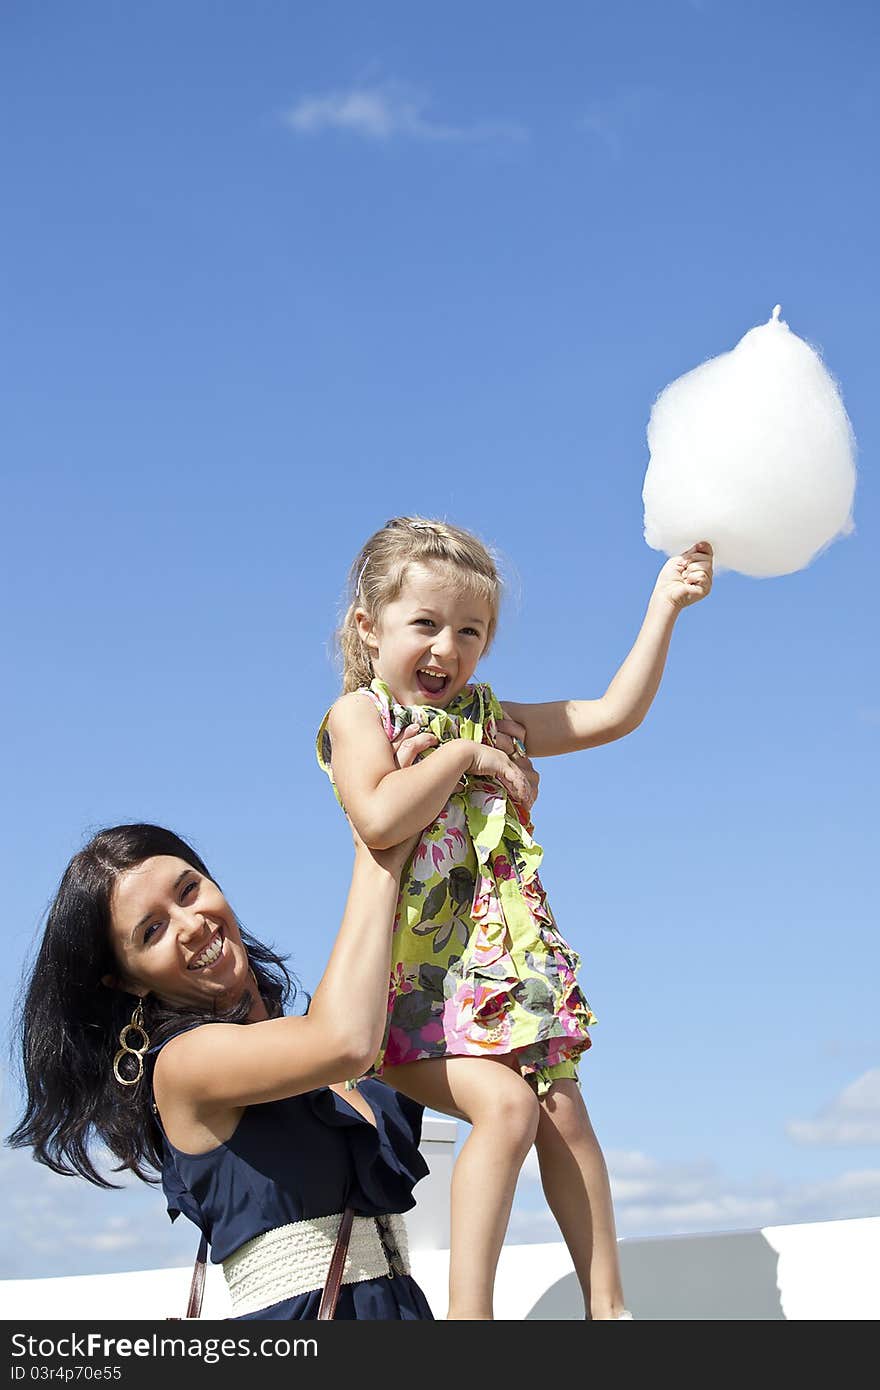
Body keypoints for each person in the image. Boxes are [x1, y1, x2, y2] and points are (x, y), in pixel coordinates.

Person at [317, 515, 713, 1320]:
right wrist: (468, 756)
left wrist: (664, 605)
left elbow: (611, 714)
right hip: (409, 987)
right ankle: (472, 1319)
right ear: (369, 626)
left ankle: (610, 1311)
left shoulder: (491, 712)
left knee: (563, 1107)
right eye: (425, 624)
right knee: (507, 1107)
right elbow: (380, 815)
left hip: (504, 973)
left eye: (470, 631)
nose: (447, 649)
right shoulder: (360, 716)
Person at [8, 737, 519, 1318]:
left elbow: (479, 1074)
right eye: (151, 931)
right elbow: (346, 1041)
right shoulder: (183, 1067)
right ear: (125, 983)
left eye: (189, 890)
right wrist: (376, 848)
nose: (191, 924)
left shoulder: (310, 1044)